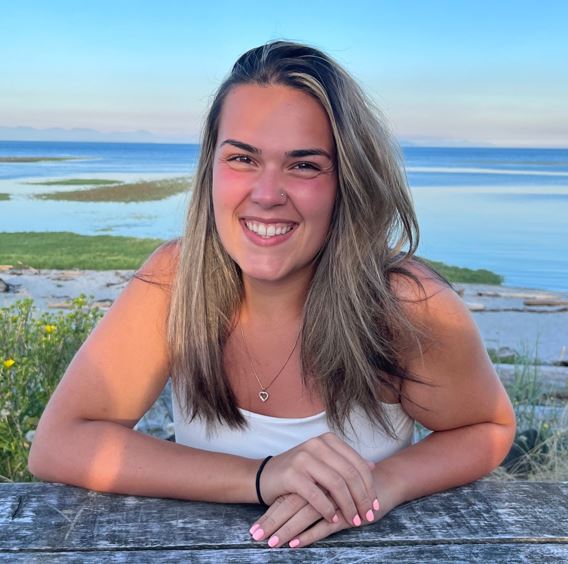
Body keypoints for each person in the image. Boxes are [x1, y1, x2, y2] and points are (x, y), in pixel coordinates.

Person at [28, 41, 516, 550]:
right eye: (242, 158)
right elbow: (58, 443)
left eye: (304, 166)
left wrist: (385, 483)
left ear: (347, 182)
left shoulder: (404, 305)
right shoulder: (176, 281)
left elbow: (488, 426)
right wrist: (263, 476)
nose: (265, 194)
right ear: (210, 168)